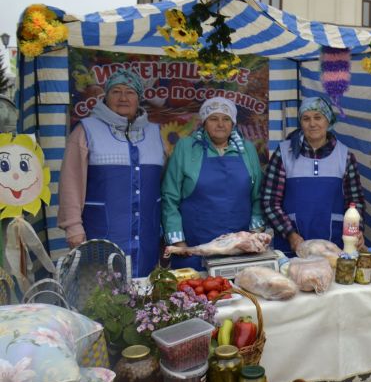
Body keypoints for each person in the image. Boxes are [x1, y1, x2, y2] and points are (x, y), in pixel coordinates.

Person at [58, 69, 165, 277]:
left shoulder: (155, 133)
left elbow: (162, 184)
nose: (123, 98)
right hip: (102, 234)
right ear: (106, 96)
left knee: (145, 297)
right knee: (102, 298)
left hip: (146, 237)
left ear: (139, 98)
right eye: (116, 91)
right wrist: (73, 227)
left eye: (130, 92)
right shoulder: (86, 130)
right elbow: (70, 183)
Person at [161, 97, 264, 270]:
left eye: (226, 119)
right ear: (204, 122)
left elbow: (258, 197)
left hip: (240, 249)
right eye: (213, 119)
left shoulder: (247, 149)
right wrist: (178, 242)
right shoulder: (186, 148)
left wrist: (254, 236)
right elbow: (170, 197)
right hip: (195, 247)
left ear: (233, 123)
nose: (220, 124)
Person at [262, 96, 365, 255]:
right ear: (300, 123)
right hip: (292, 246)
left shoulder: (344, 156)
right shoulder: (284, 153)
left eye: (318, 117)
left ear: (328, 121)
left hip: (334, 246)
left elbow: (355, 201)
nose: (312, 124)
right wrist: (291, 235)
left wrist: (357, 231)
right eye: (306, 118)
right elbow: (270, 201)